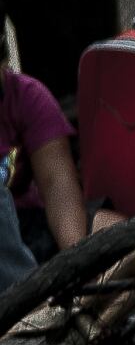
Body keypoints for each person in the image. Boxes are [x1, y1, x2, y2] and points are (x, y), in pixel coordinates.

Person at [3, 58, 93, 289]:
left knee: (115, 229)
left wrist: (78, 261)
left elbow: (57, 187)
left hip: (29, 227)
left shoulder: (26, 96)